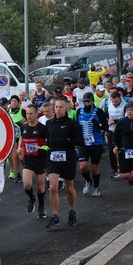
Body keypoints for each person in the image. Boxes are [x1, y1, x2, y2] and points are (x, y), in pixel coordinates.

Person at [44, 98, 83, 229]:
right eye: (56, 107)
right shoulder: (49, 124)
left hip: (68, 158)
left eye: (61, 107)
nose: (58, 109)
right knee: (53, 187)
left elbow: (79, 141)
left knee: (69, 187)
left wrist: (66, 140)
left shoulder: (72, 124)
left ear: (66, 108)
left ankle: (72, 212)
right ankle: (55, 216)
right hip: (53, 159)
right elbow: (46, 141)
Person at [18, 104, 48, 218]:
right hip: (28, 159)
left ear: (36, 114)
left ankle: (41, 206)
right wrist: (20, 148)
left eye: (31, 113)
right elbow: (22, 138)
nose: (29, 116)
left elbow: (49, 144)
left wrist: (42, 148)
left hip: (40, 159)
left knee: (41, 187)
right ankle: (32, 198)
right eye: (27, 113)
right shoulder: (24, 127)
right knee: (26, 185)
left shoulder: (43, 128)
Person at [76, 92, 108, 198]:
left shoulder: (98, 112)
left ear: (92, 101)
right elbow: (77, 126)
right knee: (83, 167)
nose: (87, 103)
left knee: (95, 167)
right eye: (85, 101)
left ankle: (96, 188)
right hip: (83, 144)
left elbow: (106, 127)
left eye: (89, 101)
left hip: (96, 143)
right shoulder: (79, 111)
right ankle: (88, 181)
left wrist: (98, 125)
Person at [113, 101, 133, 203]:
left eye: (131, 110)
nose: (129, 112)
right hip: (125, 151)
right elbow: (116, 135)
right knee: (124, 176)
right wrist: (116, 146)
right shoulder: (122, 122)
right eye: (127, 110)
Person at [103, 92, 126, 179]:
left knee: (121, 150)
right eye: (113, 102)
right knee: (112, 151)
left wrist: (116, 121)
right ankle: (115, 169)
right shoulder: (108, 106)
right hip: (112, 131)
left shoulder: (125, 106)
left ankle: (123, 168)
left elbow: (126, 118)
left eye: (116, 102)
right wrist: (108, 121)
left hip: (121, 131)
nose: (115, 103)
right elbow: (106, 118)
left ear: (120, 98)